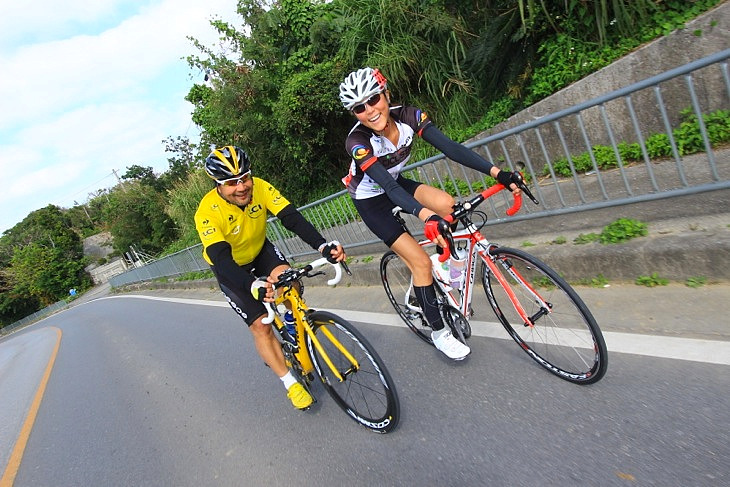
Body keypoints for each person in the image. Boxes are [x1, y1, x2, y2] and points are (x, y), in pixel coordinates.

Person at [339, 67, 521, 361]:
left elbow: (451, 148)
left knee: (448, 205)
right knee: (420, 263)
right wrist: (425, 216)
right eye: (360, 107)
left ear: (386, 94)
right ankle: (439, 333)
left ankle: (444, 269)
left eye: (374, 99)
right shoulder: (358, 142)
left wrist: (498, 173)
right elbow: (384, 185)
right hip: (371, 200)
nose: (370, 111)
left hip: (397, 183)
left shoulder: (410, 116)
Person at [195, 145, 346, 409]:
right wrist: (251, 284)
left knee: (290, 281)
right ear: (218, 185)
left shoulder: (261, 188)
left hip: (260, 250)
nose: (241, 187)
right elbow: (221, 259)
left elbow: (292, 219)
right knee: (261, 326)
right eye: (231, 182)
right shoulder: (207, 212)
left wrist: (323, 246)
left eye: (245, 178)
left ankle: (290, 321)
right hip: (231, 267)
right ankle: (290, 383)